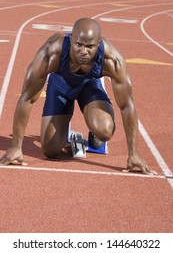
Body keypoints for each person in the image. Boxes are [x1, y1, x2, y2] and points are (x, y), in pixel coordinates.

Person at [0, 18, 156, 175]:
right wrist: (15, 147)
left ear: (98, 43)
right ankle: (66, 131)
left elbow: (127, 105)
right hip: (60, 86)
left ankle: (95, 131)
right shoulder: (51, 53)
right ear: (71, 38)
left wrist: (134, 154)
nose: (83, 51)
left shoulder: (112, 60)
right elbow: (27, 98)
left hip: (90, 85)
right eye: (79, 45)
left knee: (105, 130)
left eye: (90, 47)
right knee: (50, 151)